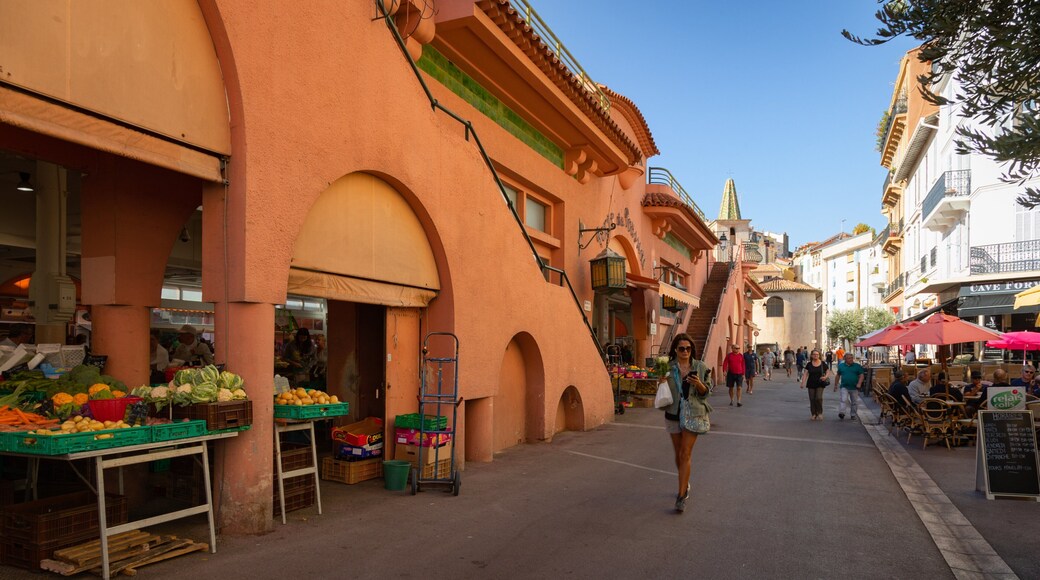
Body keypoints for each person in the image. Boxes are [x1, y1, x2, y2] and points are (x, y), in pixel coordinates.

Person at [660, 333, 712, 513]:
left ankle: (681, 496)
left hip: (694, 413)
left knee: (685, 453)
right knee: (678, 454)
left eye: (688, 348)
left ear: (692, 350)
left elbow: (707, 392)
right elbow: (660, 389)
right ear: (675, 349)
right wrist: (660, 382)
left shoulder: (700, 366)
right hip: (673, 413)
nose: (685, 351)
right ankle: (685, 481)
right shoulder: (668, 367)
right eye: (681, 348)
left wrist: (698, 384)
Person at [800, 348, 830, 420]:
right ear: (812, 356)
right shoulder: (809, 364)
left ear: (819, 355)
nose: (815, 356)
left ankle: (819, 413)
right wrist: (802, 383)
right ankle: (813, 414)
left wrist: (825, 377)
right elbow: (805, 374)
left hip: (820, 383)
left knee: (818, 398)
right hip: (811, 383)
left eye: (817, 354)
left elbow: (828, 371)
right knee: (812, 399)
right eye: (814, 354)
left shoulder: (823, 364)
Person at [833, 352, 865, 420]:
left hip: (854, 387)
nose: (851, 359)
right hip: (844, 386)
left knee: (854, 402)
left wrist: (859, 383)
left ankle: (853, 414)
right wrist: (835, 385)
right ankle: (842, 413)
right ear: (845, 359)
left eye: (851, 358)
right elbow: (838, 375)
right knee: (843, 399)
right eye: (849, 358)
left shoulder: (857, 366)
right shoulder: (841, 366)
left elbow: (861, 375)